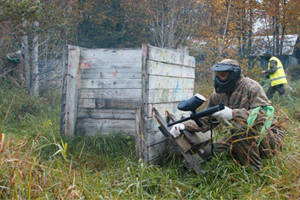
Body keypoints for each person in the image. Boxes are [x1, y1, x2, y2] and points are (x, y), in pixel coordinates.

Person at [170, 59, 284, 170]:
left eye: (223, 75)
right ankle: (238, 158)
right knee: (211, 151)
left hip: (268, 139)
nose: (219, 78)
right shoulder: (218, 95)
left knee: (239, 129)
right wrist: (184, 126)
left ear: (233, 74)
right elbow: (205, 120)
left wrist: (233, 114)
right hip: (238, 136)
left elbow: (264, 115)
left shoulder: (251, 87)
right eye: (217, 75)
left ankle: (253, 172)